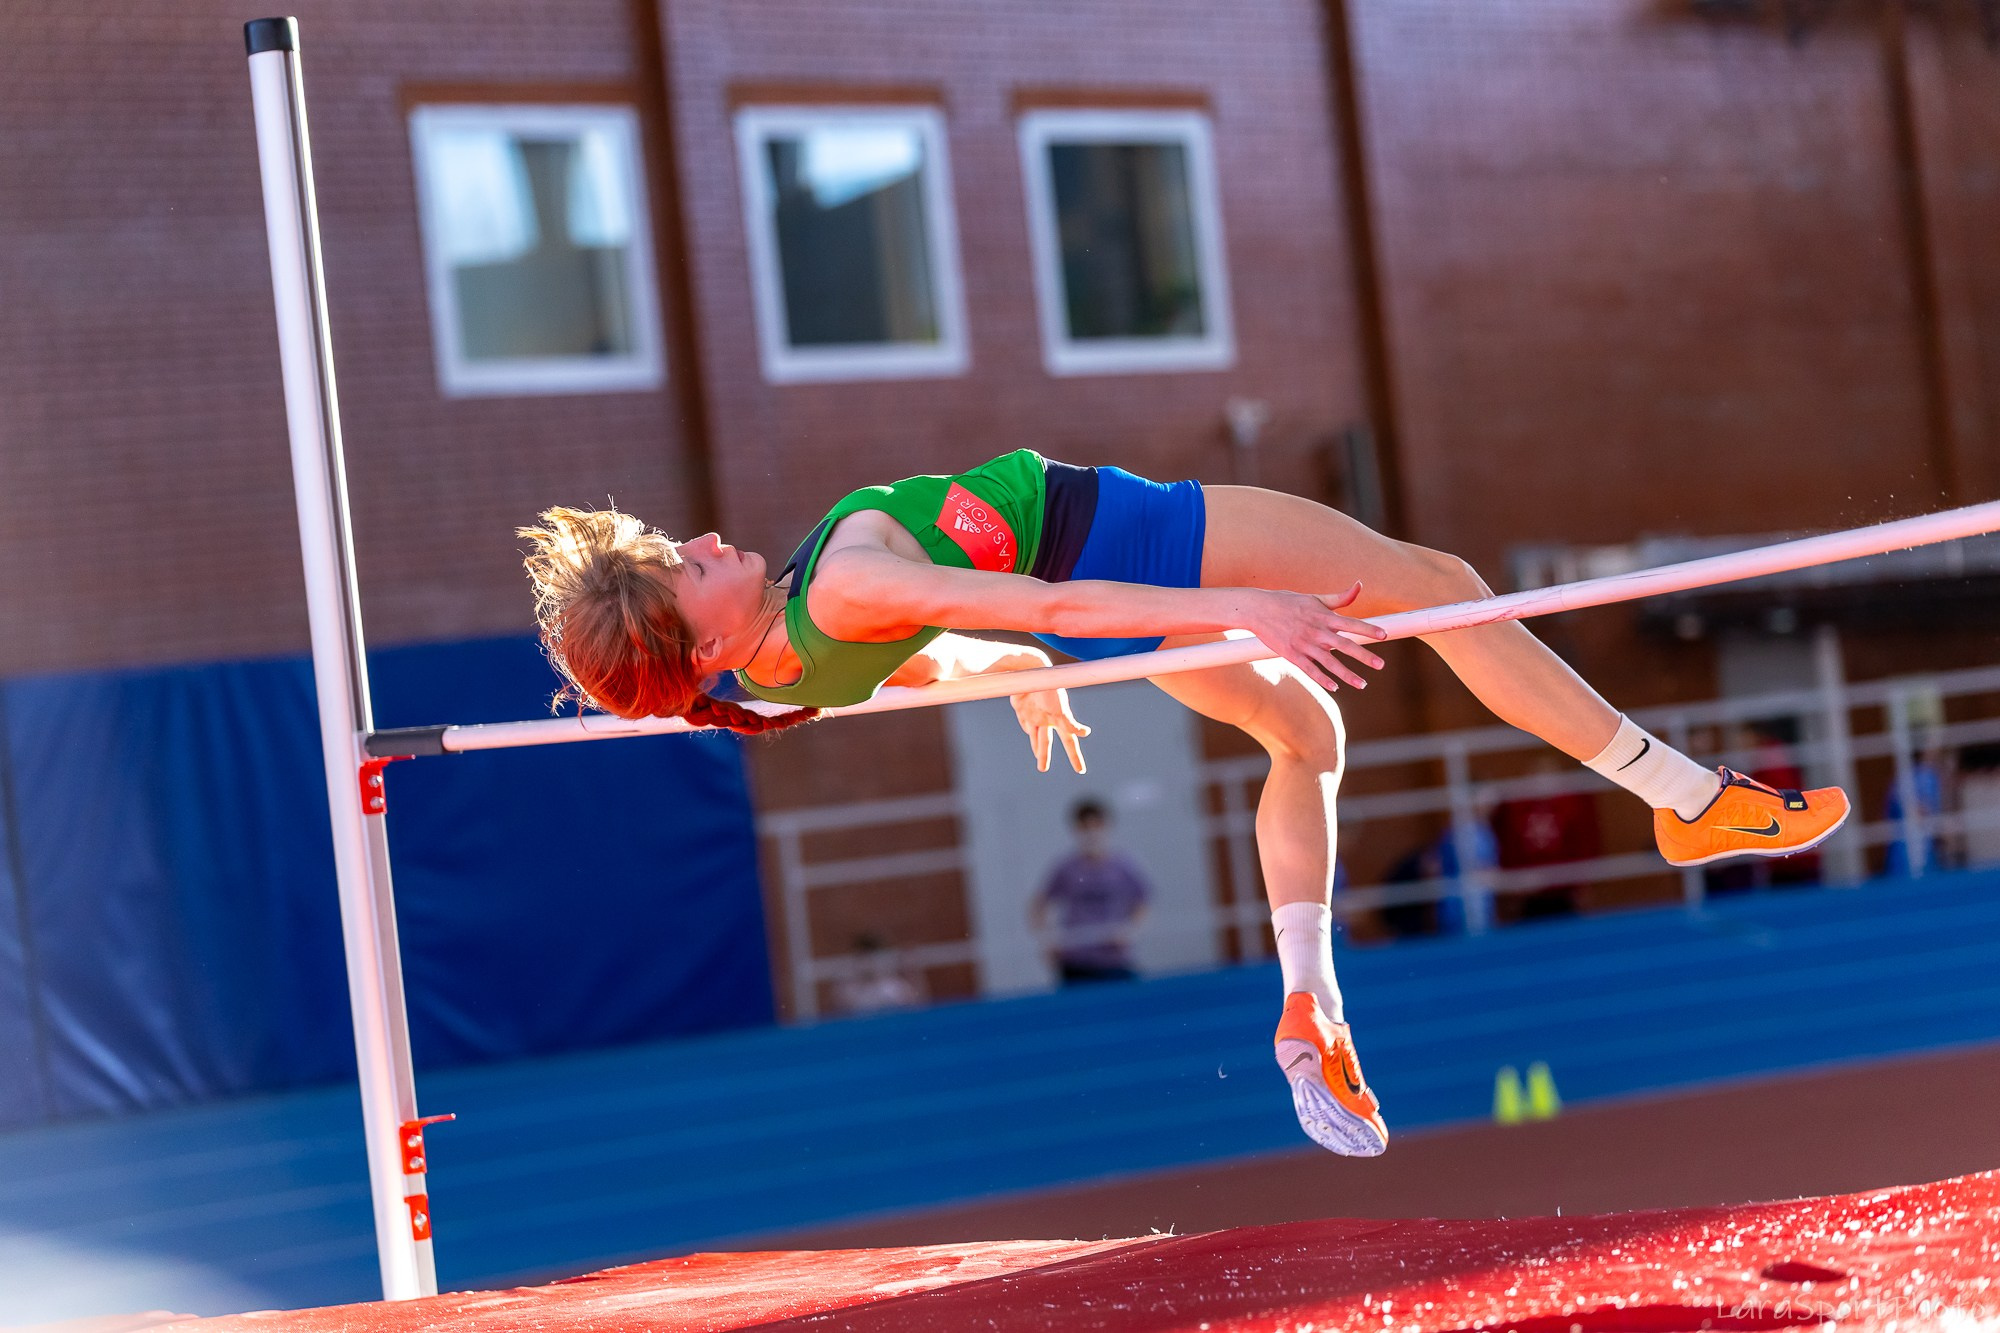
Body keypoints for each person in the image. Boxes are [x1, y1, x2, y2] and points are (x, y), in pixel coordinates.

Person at [518, 448, 1850, 1159]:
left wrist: (1010, 675)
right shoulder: (840, 582)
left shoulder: (765, 686)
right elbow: (1046, 599)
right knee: (1437, 580)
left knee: (1305, 732)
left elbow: (959, 645)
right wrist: (1233, 603)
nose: (699, 543)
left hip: (1109, 618)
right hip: (1135, 550)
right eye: (680, 569)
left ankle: (1308, 997)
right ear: (688, 645)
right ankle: (1686, 798)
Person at [1030, 799, 1152, 984]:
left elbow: (1143, 901)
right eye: (1085, 826)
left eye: (1096, 825)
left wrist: (1130, 931)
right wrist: (1047, 940)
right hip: (1076, 961)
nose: (1091, 832)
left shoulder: (1123, 865)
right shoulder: (1067, 868)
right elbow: (1039, 905)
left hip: (1113, 959)